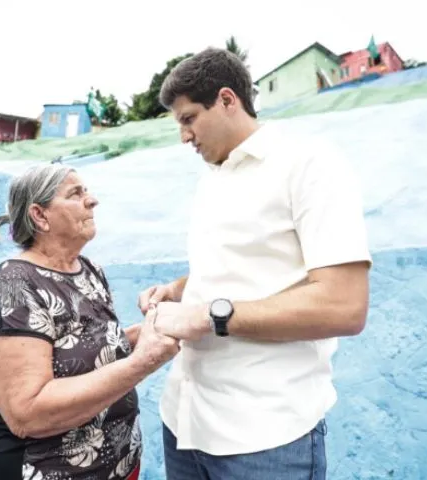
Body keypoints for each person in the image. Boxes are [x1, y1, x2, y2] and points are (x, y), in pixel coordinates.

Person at [137, 47, 372, 479]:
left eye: (188, 119)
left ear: (228, 100)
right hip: (184, 424)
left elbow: (344, 305)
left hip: (264, 439)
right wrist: (178, 290)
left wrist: (207, 316)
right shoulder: (215, 177)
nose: (183, 137)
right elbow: (241, 267)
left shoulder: (309, 165)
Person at [0, 164, 180, 480]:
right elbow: (27, 413)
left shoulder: (89, 270)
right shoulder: (16, 281)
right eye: (76, 193)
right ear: (40, 216)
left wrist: (153, 328)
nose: (92, 200)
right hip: (41, 470)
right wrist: (143, 361)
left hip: (119, 468)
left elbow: (87, 350)